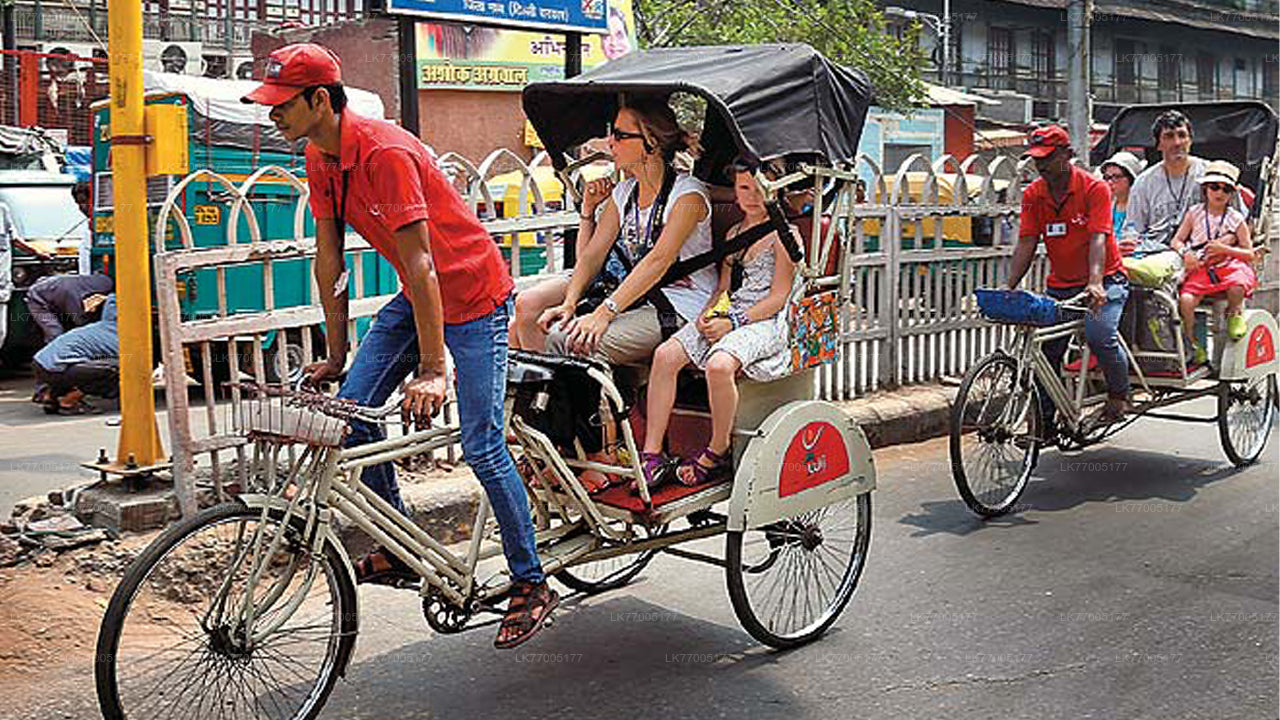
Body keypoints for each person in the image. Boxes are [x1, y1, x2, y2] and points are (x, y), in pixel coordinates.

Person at [241, 43, 555, 649]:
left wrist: (435, 370)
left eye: (282, 104)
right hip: (420, 298)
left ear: (319, 99)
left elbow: (422, 262)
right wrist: (335, 353)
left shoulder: (383, 151)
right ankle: (400, 546)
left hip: (473, 292)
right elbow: (328, 257)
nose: (272, 115)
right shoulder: (319, 155)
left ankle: (531, 581)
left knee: (482, 443)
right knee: (353, 419)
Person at [536, 96, 715, 490]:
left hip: (682, 308)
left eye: (619, 135)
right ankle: (570, 451)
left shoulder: (688, 195)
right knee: (557, 335)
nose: (609, 143)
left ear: (650, 141)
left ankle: (602, 455)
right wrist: (569, 304)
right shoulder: (625, 194)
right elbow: (594, 253)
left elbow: (659, 261)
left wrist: (604, 313)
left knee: (583, 344)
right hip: (638, 301)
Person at [639, 164, 797, 489]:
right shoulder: (733, 234)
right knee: (666, 355)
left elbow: (779, 297)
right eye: (744, 189)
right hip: (731, 314)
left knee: (719, 364)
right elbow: (723, 288)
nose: (752, 197)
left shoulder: (785, 236)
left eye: (760, 189)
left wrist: (734, 322)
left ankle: (718, 446)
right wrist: (710, 313)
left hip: (765, 320)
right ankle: (652, 453)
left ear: (776, 189)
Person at [1007, 125, 1131, 424]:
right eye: (1037, 160)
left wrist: (1095, 281)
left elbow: (1099, 238)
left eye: (1048, 158)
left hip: (1106, 280)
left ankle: (1119, 395)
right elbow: (1026, 241)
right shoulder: (1033, 194)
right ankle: (1044, 423)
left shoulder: (1094, 188)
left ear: (1066, 155)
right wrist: (1008, 286)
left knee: (1099, 335)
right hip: (1060, 286)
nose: (1042, 166)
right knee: (1043, 350)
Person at [510, 176, 614, 352]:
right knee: (525, 303)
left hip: (619, 277)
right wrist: (588, 209)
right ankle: (539, 371)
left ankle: (547, 371)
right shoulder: (615, 193)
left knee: (516, 331)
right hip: (593, 273)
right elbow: (583, 258)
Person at [1169, 160, 1258, 365]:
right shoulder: (1194, 213)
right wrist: (1185, 254)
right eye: (1214, 187)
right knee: (1186, 300)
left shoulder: (1236, 219)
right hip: (1201, 267)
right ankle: (1191, 340)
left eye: (1226, 189)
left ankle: (1235, 314)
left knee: (1237, 287)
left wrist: (1225, 249)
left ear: (1231, 194)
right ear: (1205, 189)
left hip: (1228, 265)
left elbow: (1249, 253)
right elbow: (1177, 240)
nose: (1219, 193)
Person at [1119, 110, 1206, 257]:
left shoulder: (1210, 174)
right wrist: (1129, 242)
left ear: (1190, 141)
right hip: (1155, 254)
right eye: (1169, 137)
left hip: (1200, 253)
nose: (1177, 143)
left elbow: (1238, 221)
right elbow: (1133, 227)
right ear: (1158, 145)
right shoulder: (1144, 182)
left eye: (1182, 135)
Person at [32, 294, 119, 415]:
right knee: (117, 368)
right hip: (56, 369)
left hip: (39, 363)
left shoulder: (100, 326)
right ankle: (69, 402)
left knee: (78, 362)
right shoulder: (118, 338)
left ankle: (50, 396)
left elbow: (113, 298)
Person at [1100, 151, 1143, 238]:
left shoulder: (1142, 206)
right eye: (1107, 177)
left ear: (1131, 179)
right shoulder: (1106, 204)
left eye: (1116, 177)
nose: (1110, 182)